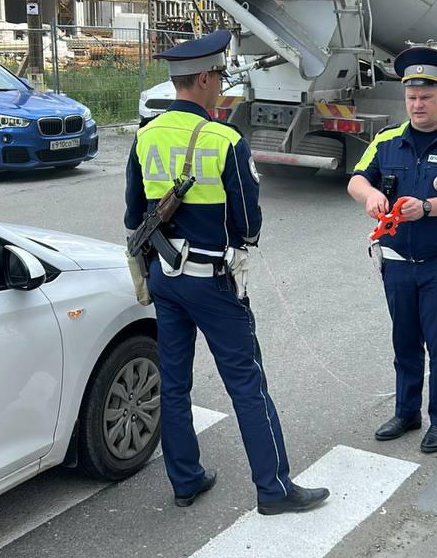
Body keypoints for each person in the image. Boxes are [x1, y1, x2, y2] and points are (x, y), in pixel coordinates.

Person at [124, 30, 329, 515]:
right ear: (201, 79)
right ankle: (274, 489)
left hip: (164, 277)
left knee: (174, 384)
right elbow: (248, 221)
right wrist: (238, 241)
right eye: (217, 76)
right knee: (246, 383)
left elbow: (134, 214)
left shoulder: (145, 136)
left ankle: (186, 480)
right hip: (212, 282)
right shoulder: (224, 139)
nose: (220, 84)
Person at [346, 46, 437, 453]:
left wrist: (426, 208)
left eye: (426, 96)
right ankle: (407, 412)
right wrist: (371, 196)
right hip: (395, 263)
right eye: (411, 97)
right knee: (405, 343)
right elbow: (356, 179)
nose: (417, 104)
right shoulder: (387, 140)